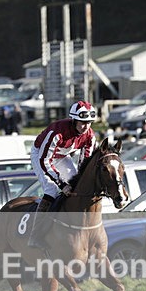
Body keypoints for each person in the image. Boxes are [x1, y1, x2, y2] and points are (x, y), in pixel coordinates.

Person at [27, 100, 97, 249]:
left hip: (62, 156)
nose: (86, 127)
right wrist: (62, 184)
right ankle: (36, 235)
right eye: (82, 122)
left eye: (89, 122)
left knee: (76, 186)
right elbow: (44, 160)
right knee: (51, 189)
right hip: (41, 155)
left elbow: (84, 163)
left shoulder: (90, 136)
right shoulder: (57, 132)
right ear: (74, 120)